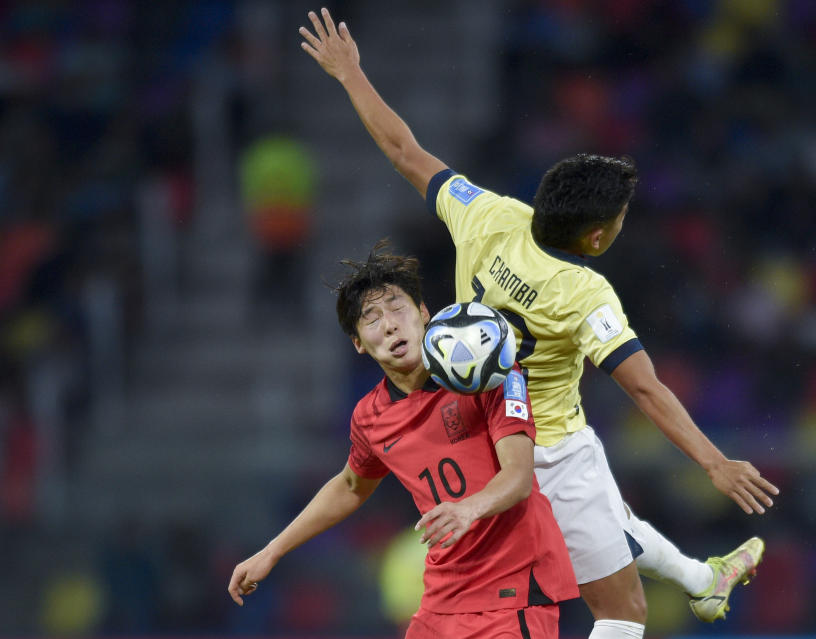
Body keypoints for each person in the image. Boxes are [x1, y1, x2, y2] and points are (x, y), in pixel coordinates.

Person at [299, 8, 780, 636]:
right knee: (622, 612)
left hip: (465, 433)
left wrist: (351, 74)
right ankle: (704, 582)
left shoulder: (490, 216)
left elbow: (403, 150)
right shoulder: (586, 293)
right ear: (600, 234)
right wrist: (714, 462)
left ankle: (703, 580)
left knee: (612, 521)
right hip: (547, 451)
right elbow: (643, 387)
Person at [227, 242, 579, 638]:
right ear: (358, 343)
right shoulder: (370, 417)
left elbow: (518, 476)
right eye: (372, 319)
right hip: (443, 598)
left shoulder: (487, 370)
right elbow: (350, 485)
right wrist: (271, 551)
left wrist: (468, 510)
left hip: (513, 589)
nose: (390, 324)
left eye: (398, 308)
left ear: (424, 314)